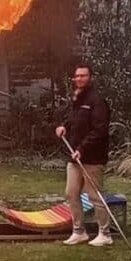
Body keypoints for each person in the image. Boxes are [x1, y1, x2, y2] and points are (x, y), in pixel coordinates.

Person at [55, 64, 112, 246]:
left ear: (91, 77)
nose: (79, 79)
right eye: (77, 76)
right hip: (74, 156)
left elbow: (99, 131)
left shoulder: (97, 101)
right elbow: (73, 119)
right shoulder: (77, 99)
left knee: (95, 196)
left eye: (83, 76)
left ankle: (105, 233)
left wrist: (83, 149)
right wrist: (64, 126)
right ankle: (79, 231)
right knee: (71, 193)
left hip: (92, 158)